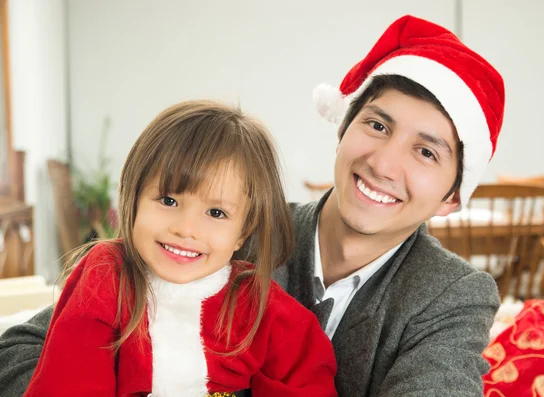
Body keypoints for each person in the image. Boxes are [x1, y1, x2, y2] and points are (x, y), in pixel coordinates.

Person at [0, 15, 505, 397]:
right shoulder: (225, 230)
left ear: (451, 197)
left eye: (425, 151)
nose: (384, 163)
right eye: (376, 125)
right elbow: (21, 348)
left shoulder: (451, 295)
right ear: (344, 128)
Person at [19, 100, 338, 397]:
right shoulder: (108, 274)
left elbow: (309, 381)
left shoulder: (258, 302)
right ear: (132, 199)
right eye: (168, 200)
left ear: (242, 233)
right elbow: (69, 382)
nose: (186, 228)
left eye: (216, 213)